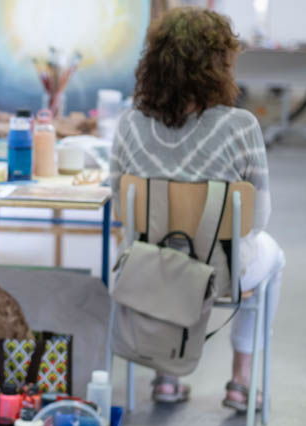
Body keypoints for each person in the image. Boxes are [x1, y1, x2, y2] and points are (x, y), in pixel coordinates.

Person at [110, 7, 285, 413]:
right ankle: (242, 381)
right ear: (219, 65)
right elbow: (256, 220)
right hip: (220, 274)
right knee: (274, 257)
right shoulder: (241, 126)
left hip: (147, 267)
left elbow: (121, 208)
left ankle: (166, 376)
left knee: (162, 251)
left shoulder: (130, 124)